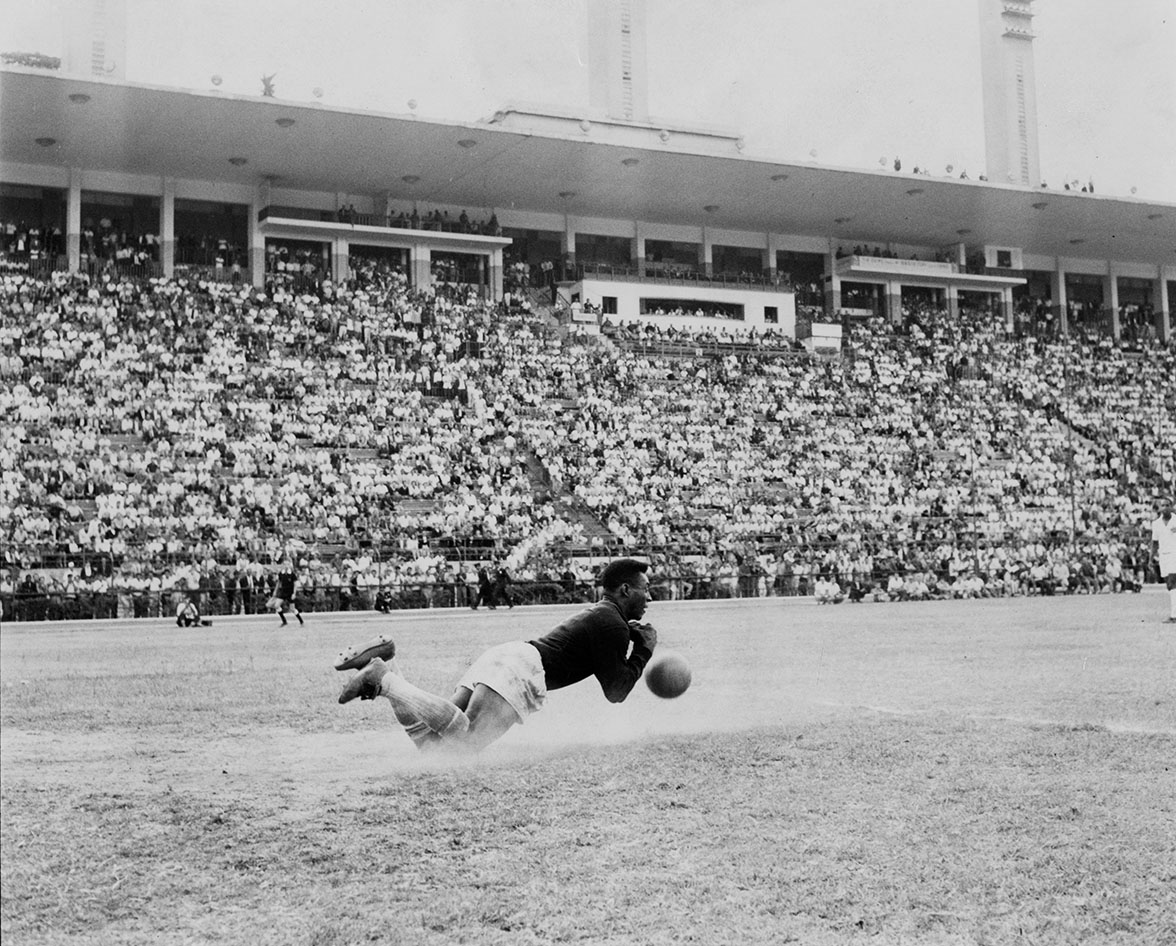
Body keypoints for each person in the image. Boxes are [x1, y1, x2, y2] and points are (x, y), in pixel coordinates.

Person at [335, 557, 658, 753]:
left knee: (432, 744)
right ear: (626, 590)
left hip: (508, 656)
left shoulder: (605, 616)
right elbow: (616, 691)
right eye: (645, 588)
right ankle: (386, 681)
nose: (650, 596)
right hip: (523, 668)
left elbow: (598, 640)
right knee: (466, 746)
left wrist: (632, 637)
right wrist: (644, 648)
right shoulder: (612, 623)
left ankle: (389, 663)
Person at [1149, 498, 1176, 623]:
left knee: (1172, 581)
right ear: (1159, 508)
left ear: (1171, 507)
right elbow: (1154, 543)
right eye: (1162, 505)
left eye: (1167, 505)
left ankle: (1174, 615)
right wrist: (1151, 559)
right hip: (1163, 556)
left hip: (1174, 554)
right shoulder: (1156, 524)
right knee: (1169, 585)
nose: (1165, 508)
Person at [268, 560, 304, 627]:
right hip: (283, 592)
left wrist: (294, 593)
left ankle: (301, 621)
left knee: (292, 609)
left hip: (290, 592)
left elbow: (295, 584)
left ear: (289, 565)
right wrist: (275, 591)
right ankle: (284, 621)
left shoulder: (292, 574)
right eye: (285, 564)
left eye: (287, 564)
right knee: (276, 605)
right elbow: (278, 583)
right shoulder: (281, 573)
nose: (286, 565)